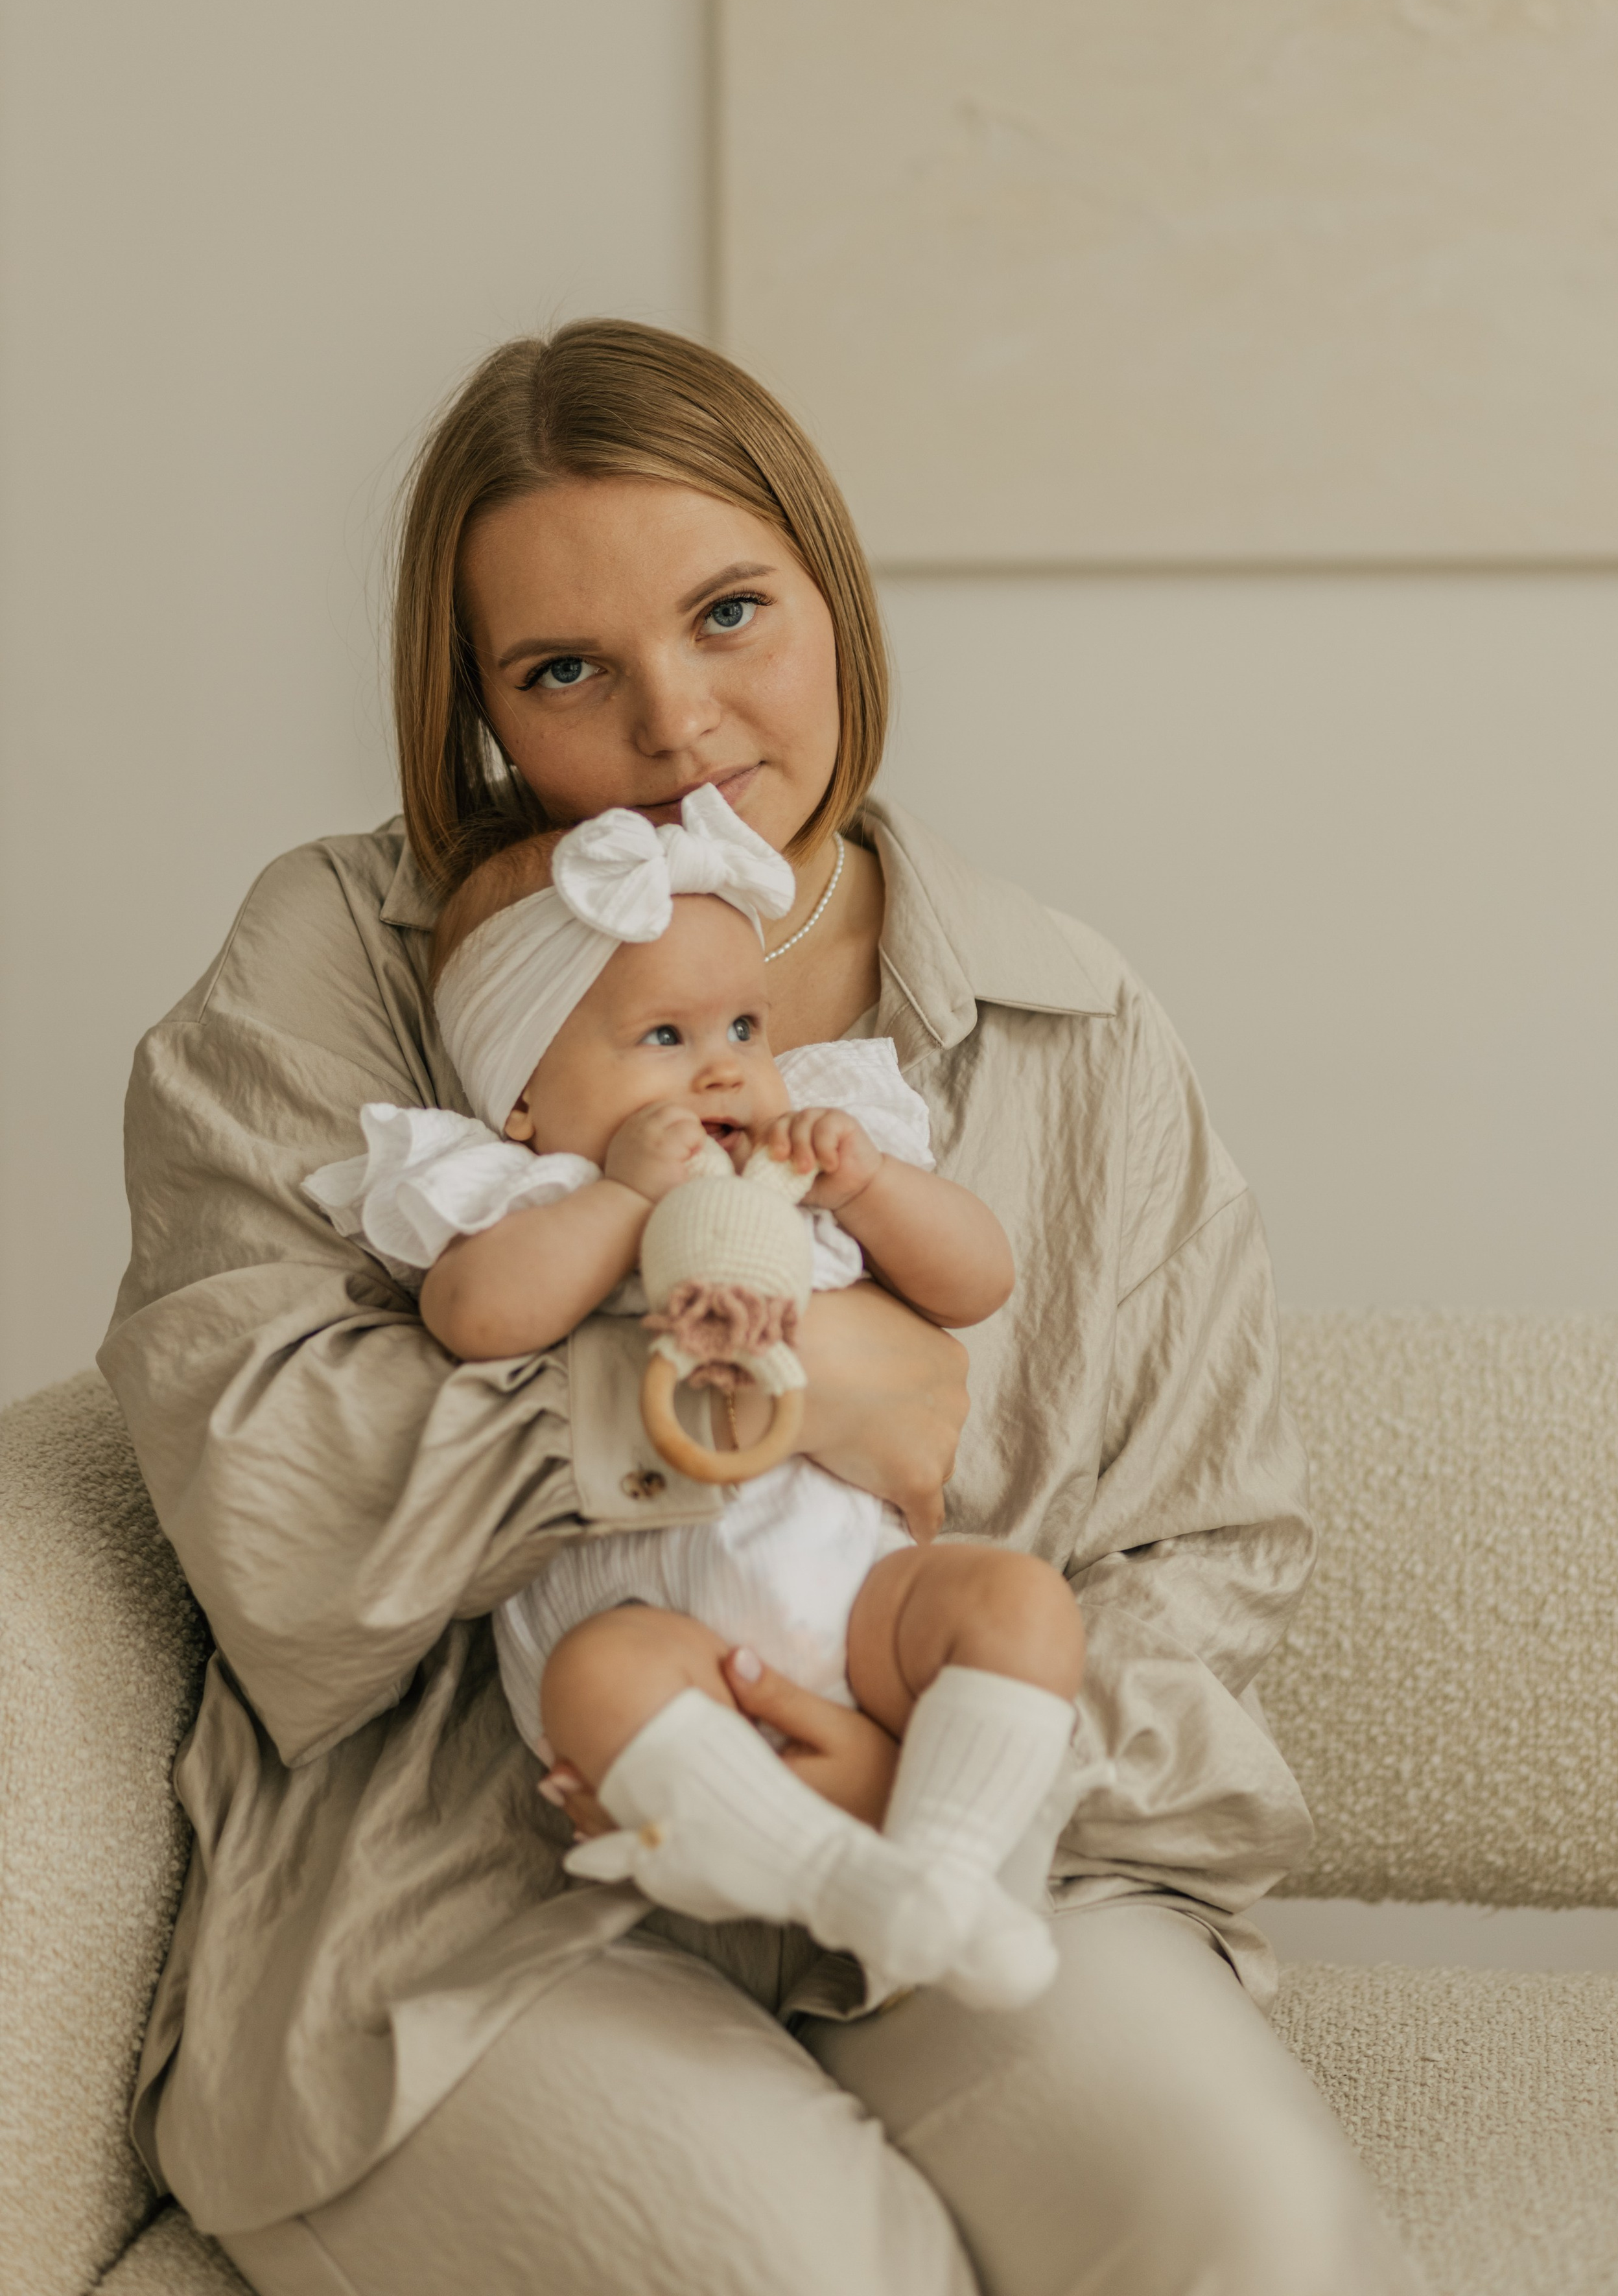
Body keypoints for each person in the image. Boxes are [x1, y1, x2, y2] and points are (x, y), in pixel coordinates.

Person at [100, 318, 1425, 2293]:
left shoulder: (1074, 1024)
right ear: (476, 704)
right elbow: (270, 1496)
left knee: (1258, 2237)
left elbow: (1203, 1547)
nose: (679, 726)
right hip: (477, 1869)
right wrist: (760, 1403)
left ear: (835, 597)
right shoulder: (357, 962)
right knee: (805, 2275)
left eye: (731, 614)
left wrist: (940, 1779)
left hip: (970, 1832)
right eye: (565, 670)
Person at [303, 783, 1085, 2011]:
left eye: (745, 1027)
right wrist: (620, 1200)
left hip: (857, 1604)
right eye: (664, 1037)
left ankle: (945, 1869)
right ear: (523, 1096)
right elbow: (475, 1318)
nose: (724, 1068)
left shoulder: (805, 1165)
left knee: (1017, 1601)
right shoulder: (535, 1194)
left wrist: (871, 1189)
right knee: (597, 1678)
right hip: (653, 1644)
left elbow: (981, 1281)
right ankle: (848, 1883)